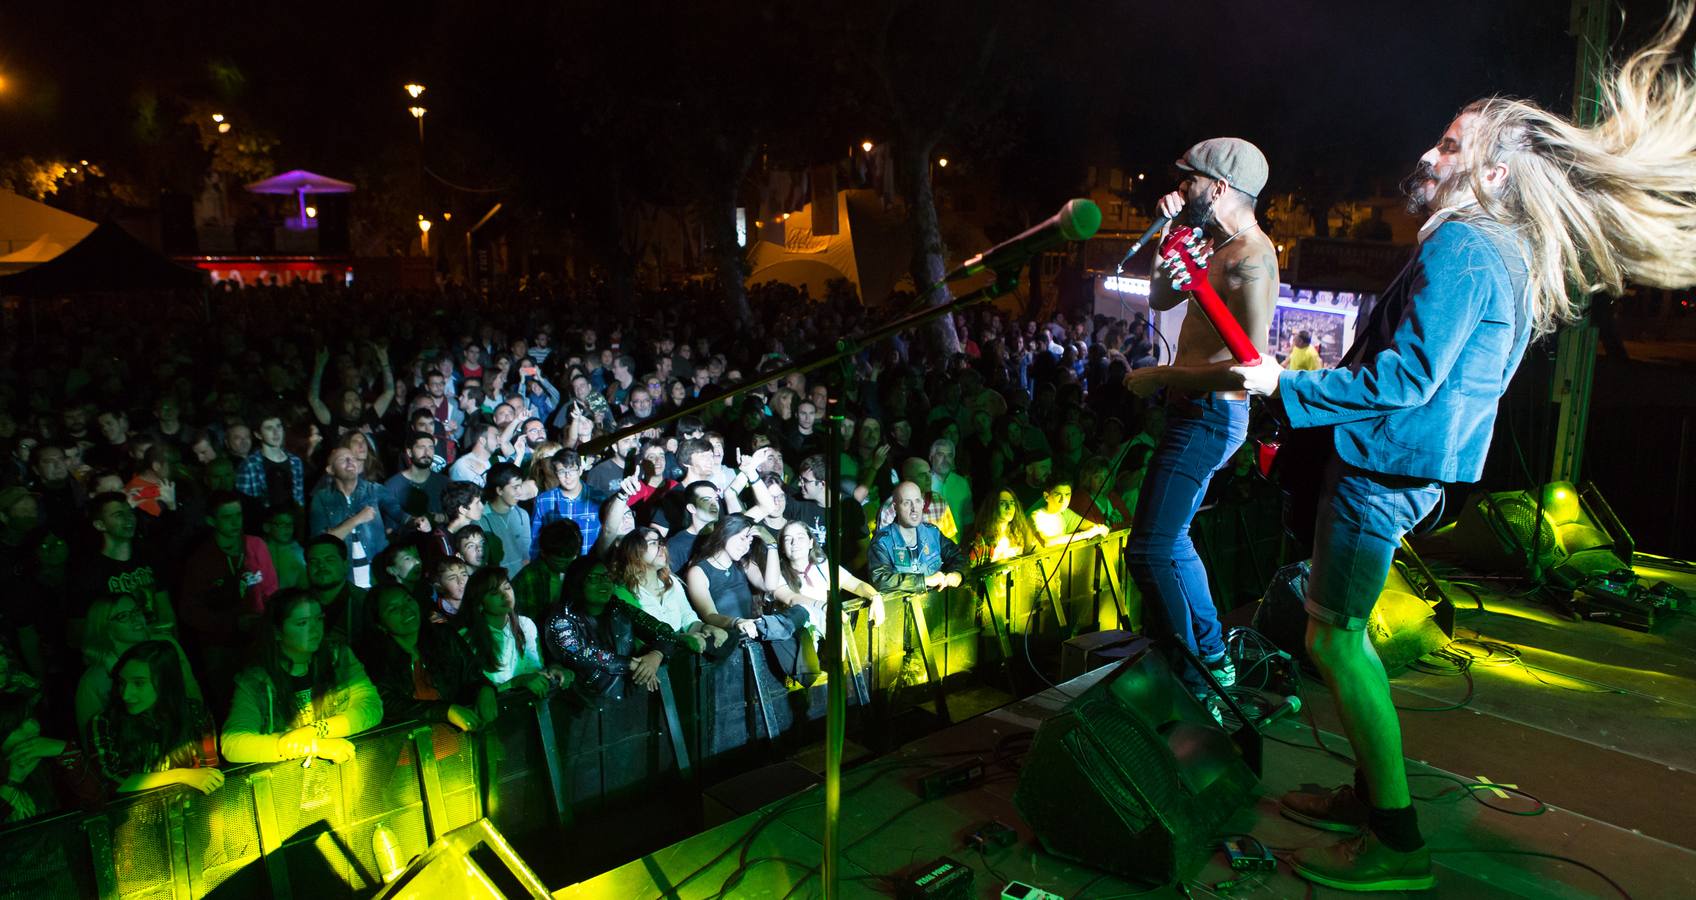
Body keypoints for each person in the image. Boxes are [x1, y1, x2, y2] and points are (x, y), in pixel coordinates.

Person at [1229, 19, 1696, 889]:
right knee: (1342, 633)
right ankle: (1371, 798)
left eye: (1450, 145)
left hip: (1388, 466)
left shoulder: (1465, 243)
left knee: (1335, 640)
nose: (1430, 153)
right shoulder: (1501, 246)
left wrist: (1281, 391)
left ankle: (1396, 844)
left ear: (1492, 173)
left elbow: (1406, 378)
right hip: (1414, 464)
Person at [1120, 138, 1278, 712]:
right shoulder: (1206, 239)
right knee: (1172, 539)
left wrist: (1164, 375)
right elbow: (1162, 297)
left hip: (1213, 414)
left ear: (1218, 189)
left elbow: (1250, 370)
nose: (1179, 189)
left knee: (1148, 549)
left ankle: (1190, 680)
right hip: (1193, 409)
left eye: (1189, 182)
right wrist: (1167, 234)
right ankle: (1211, 659)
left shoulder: (1253, 258)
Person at [221, 590, 383, 764]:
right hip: (287, 781)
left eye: (319, 619)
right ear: (277, 632)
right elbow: (233, 744)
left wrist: (315, 730)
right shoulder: (255, 680)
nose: (315, 629)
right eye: (302, 623)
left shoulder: (338, 657)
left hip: (341, 770)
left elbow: (371, 707)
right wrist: (313, 746)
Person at [88, 641, 222, 796]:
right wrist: (181, 775)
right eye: (121, 682)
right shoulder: (104, 722)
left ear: (165, 682)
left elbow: (210, 772)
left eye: (138, 683)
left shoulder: (194, 713)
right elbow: (110, 781)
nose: (125, 694)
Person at [363, 585, 498, 731]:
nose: (406, 609)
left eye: (408, 600)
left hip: (461, 738)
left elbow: (473, 675)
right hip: (406, 746)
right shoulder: (375, 660)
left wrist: (485, 689)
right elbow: (388, 703)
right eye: (393, 609)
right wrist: (445, 711)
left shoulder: (445, 637)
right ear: (379, 624)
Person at [543, 560, 683, 697]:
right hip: (582, 703)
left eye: (607, 576)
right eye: (594, 578)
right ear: (577, 582)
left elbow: (665, 632)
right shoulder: (561, 617)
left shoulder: (619, 607)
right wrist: (630, 664)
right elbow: (578, 652)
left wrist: (655, 656)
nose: (604, 582)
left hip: (627, 696)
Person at [75, 594, 202, 741]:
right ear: (105, 627)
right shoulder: (94, 680)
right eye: (123, 616)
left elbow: (191, 690)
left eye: (136, 611)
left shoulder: (165, 645)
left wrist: (198, 729)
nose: (136, 618)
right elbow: (91, 739)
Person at [457, 567, 567, 697]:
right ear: (479, 603)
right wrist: (515, 682)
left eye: (507, 587)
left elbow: (537, 669)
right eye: (494, 592)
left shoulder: (525, 625)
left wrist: (554, 670)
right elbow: (474, 694)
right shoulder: (466, 638)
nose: (505, 595)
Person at [609, 527, 726, 649]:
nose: (662, 548)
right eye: (653, 543)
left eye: (661, 543)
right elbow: (638, 638)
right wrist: (680, 639)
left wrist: (705, 627)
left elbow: (687, 618)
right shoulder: (623, 591)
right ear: (634, 551)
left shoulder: (672, 582)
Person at [866, 482, 967, 595]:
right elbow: (880, 580)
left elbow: (958, 556)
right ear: (895, 507)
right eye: (906, 503)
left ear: (923, 503)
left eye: (917, 501)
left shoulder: (933, 533)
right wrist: (924, 581)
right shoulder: (882, 542)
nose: (914, 508)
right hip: (900, 610)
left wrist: (957, 574)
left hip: (936, 605)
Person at [530, 451, 605, 558]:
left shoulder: (598, 498)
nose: (567, 476)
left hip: (587, 567)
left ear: (580, 470)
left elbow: (606, 535)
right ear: (556, 474)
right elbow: (535, 540)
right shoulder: (543, 500)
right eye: (561, 471)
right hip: (556, 566)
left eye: (572, 470)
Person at [305, 535, 368, 646]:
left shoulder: (366, 603)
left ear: (345, 565)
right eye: (314, 561)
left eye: (329, 560)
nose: (321, 566)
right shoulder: (297, 605)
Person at [235, 414, 306, 510]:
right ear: (258, 434)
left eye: (278, 426)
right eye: (269, 428)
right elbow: (245, 504)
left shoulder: (295, 461)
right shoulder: (249, 465)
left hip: (290, 520)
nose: (276, 432)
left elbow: (299, 499)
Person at [478, 465, 532, 577]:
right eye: (515, 487)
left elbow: (526, 554)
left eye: (520, 486)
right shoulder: (481, 519)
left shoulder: (522, 515)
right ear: (499, 490)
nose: (520, 492)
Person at [386, 431, 450, 524]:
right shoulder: (393, 486)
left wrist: (438, 518)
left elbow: (453, 517)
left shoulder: (444, 482)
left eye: (431, 448)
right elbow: (389, 526)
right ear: (409, 452)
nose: (427, 452)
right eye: (421, 447)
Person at [965, 489, 1042, 565]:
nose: (1009, 507)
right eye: (1003, 503)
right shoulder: (981, 541)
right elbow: (970, 572)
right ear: (992, 507)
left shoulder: (1018, 534)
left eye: (1012, 503)